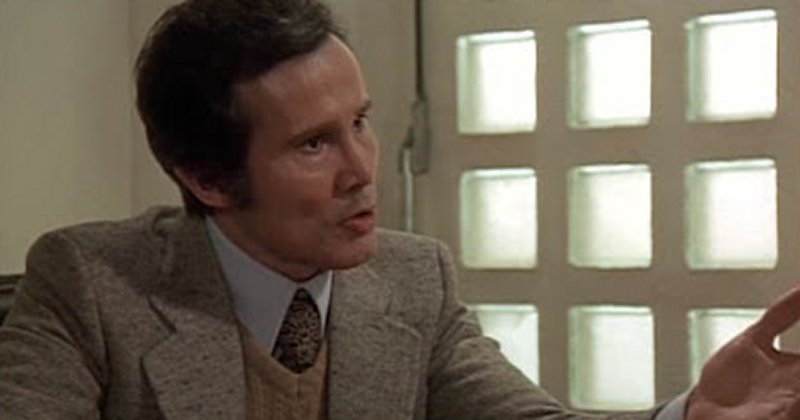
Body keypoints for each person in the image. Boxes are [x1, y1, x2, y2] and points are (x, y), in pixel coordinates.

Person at [1, 0, 800, 419]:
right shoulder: (90, 284)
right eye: (314, 144)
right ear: (208, 179)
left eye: (360, 122)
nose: (361, 170)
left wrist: (687, 418)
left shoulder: (413, 278)